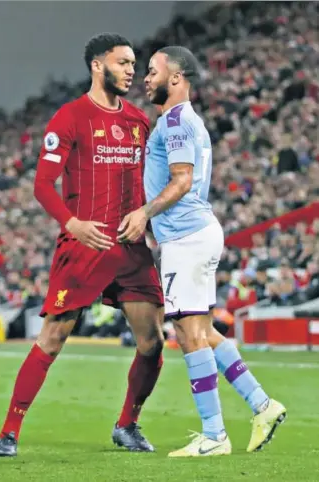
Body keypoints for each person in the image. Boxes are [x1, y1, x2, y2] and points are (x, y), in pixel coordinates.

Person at [0, 33, 164, 457]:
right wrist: (73, 223)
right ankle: (9, 431)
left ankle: (128, 424)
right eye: (122, 62)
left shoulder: (139, 121)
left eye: (133, 64)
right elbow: (42, 184)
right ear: (97, 65)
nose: (130, 71)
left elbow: (146, 182)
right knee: (53, 337)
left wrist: (147, 219)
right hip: (85, 245)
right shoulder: (70, 118)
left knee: (153, 341)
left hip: (131, 247)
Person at [117, 46, 286, 457]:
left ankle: (215, 436)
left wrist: (144, 213)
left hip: (187, 238)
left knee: (190, 335)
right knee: (203, 332)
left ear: (176, 78)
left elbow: (181, 181)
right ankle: (263, 405)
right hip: (196, 234)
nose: (146, 78)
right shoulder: (183, 120)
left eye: (153, 71)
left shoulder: (175, 121)